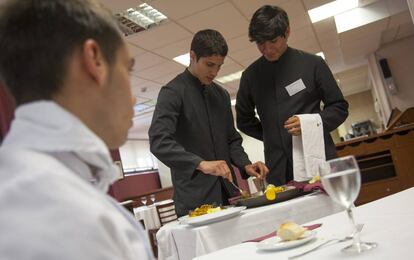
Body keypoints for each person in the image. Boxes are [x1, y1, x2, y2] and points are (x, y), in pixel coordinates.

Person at [0, 0, 153, 259]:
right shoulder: (67, 215)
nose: (133, 97)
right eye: (128, 69)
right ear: (94, 59)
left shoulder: (24, 180)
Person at [149, 29, 269, 217]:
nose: (214, 72)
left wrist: (246, 165)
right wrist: (200, 163)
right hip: (195, 199)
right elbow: (158, 141)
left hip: (229, 192)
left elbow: (231, 140)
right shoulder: (172, 92)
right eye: (209, 64)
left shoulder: (221, 95)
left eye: (219, 66)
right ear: (192, 56)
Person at [236, 5, 348, 186]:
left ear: (287, 31)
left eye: (272, 41)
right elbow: (244, 121)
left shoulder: (313, 64)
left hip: (317, 158)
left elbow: (339, 107)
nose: (267, 49)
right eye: (260, 43)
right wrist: (273, 135)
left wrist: (310, 125)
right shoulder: (250, 76)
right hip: (279, 168)